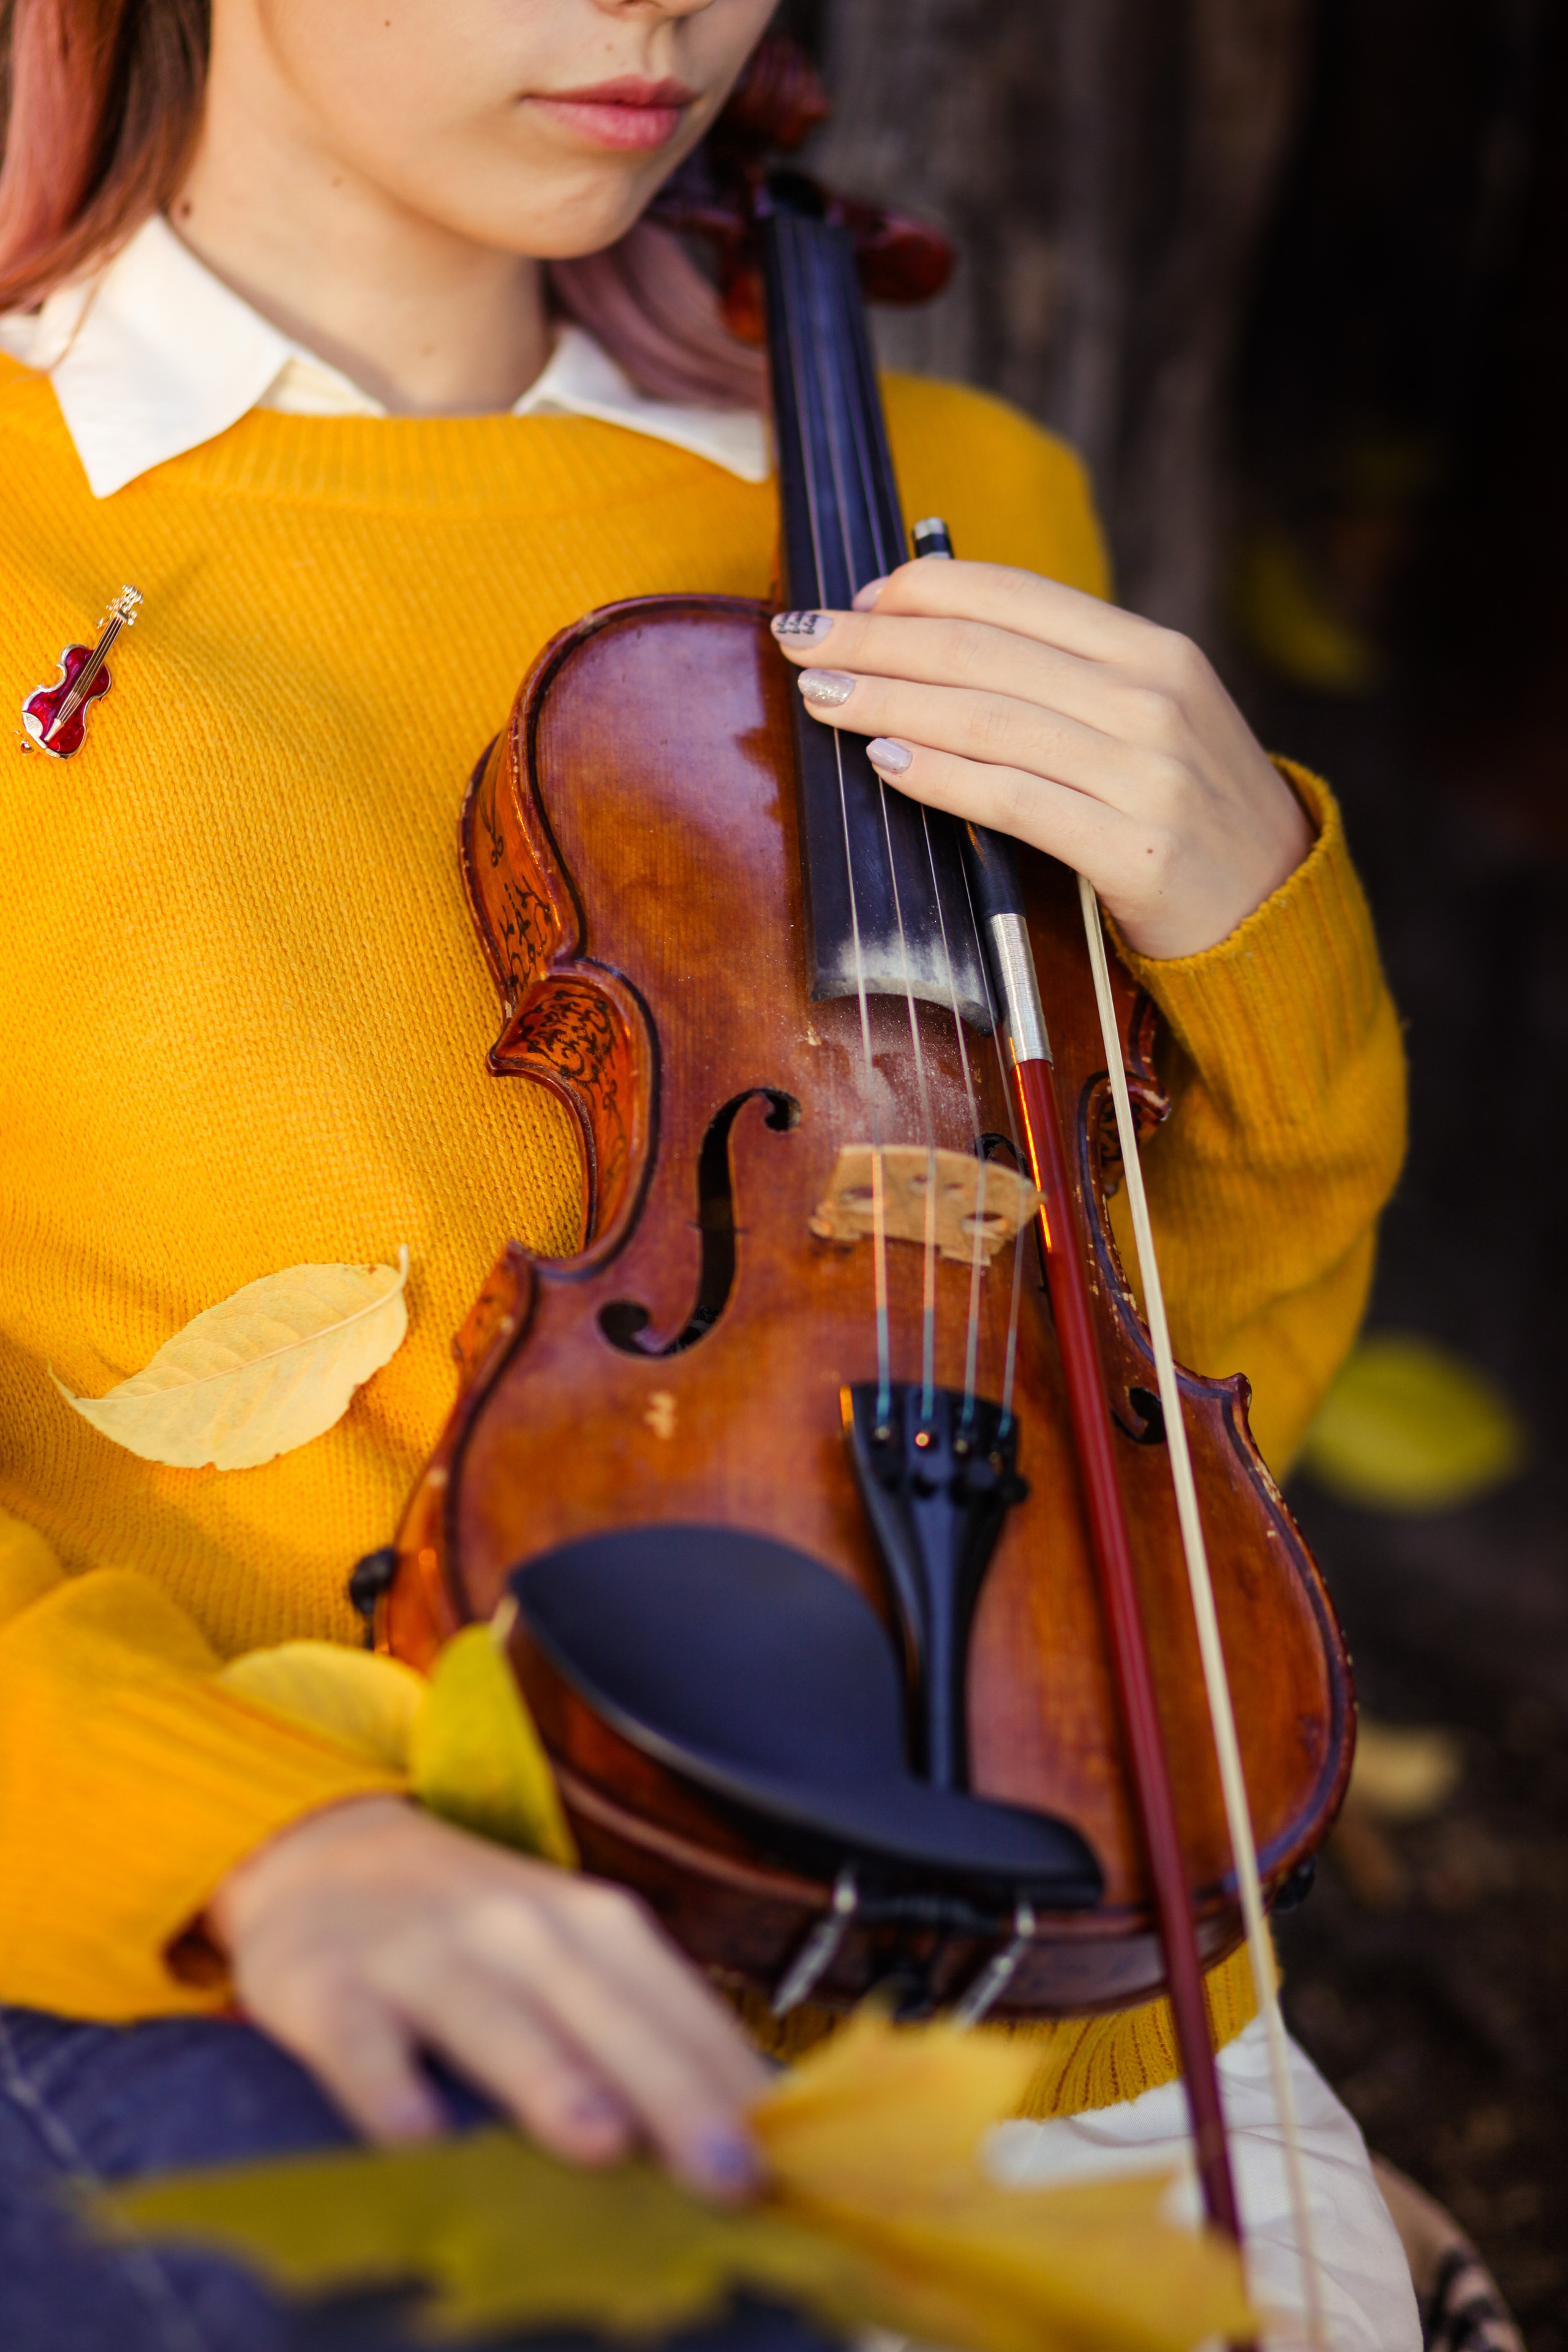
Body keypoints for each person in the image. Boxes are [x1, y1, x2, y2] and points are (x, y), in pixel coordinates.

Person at [0, 1, 1415, 2346]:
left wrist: (1251, 902)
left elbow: (1173, 1448)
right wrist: (270, 1844)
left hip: (1045, 2013)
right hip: (274, 1989)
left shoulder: (948, 494)